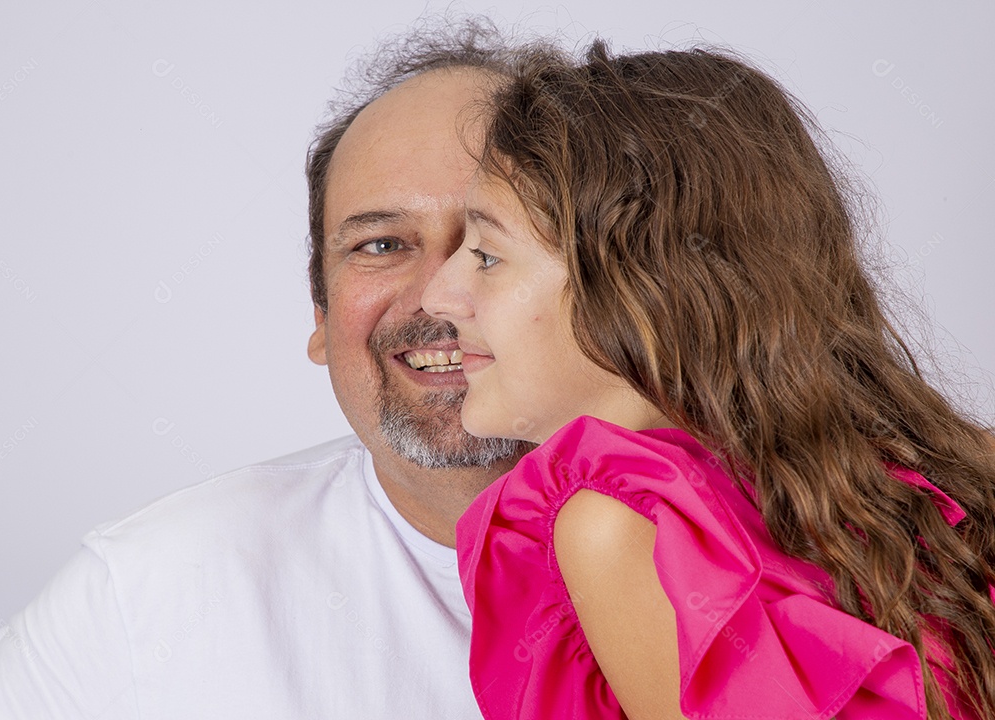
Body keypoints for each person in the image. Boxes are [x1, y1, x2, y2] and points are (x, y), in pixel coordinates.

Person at [0, 21, 531, 720]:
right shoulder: (144, 594)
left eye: (491, 242)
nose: (439, 293)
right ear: (320, 311)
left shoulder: (685, 547)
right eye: (383, 243)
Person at [422, 42, 995, 719]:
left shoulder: (614, 525)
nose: (438, 295)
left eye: (487, 255)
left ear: (646, 286)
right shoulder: (940, 474)